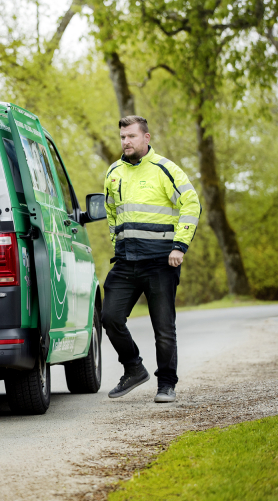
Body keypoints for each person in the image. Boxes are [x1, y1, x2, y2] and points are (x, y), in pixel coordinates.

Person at [102, 116, 201, 403]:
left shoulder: (165, 169)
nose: (126, 142)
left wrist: (180, 246)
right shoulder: (113, 172)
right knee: (110, 317)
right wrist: (116, 244)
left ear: (146, 138)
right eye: (122, 137)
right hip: (125, 262)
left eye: (131, 136)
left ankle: (166, 384)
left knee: (163, 328)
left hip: (161, 261)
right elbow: (111, 214)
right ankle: (133, 367)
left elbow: (191, 203)